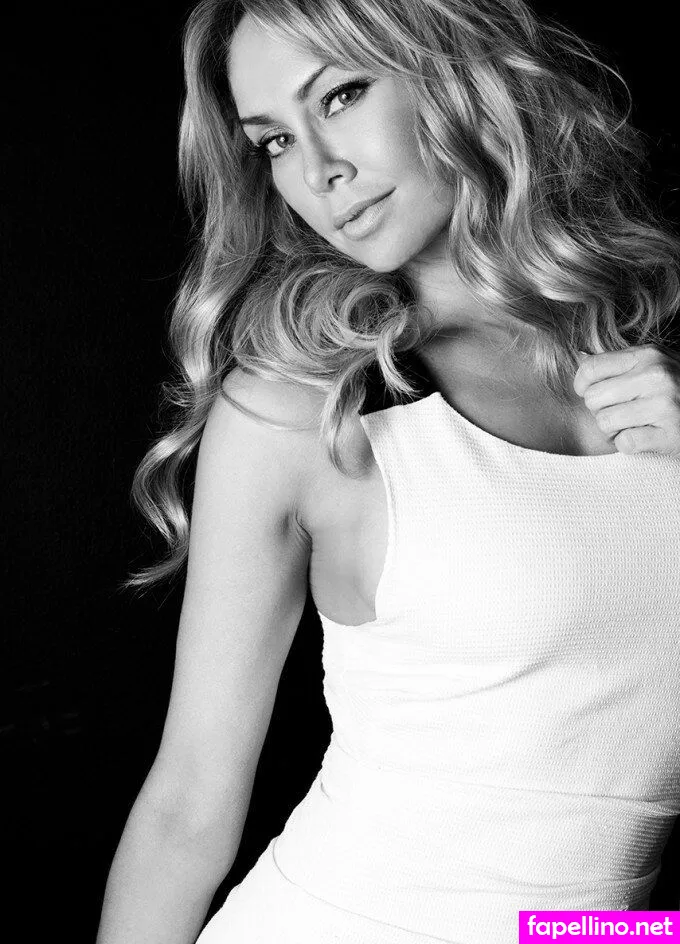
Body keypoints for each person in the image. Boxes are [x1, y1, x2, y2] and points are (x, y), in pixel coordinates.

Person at [96, 1, 680, 942]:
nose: (317, 169)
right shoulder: (302, 413)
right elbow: (189, 803)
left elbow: (592, 905)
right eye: (275, 140)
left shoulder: (655, 371)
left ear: (455, 70)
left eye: (342, 94)